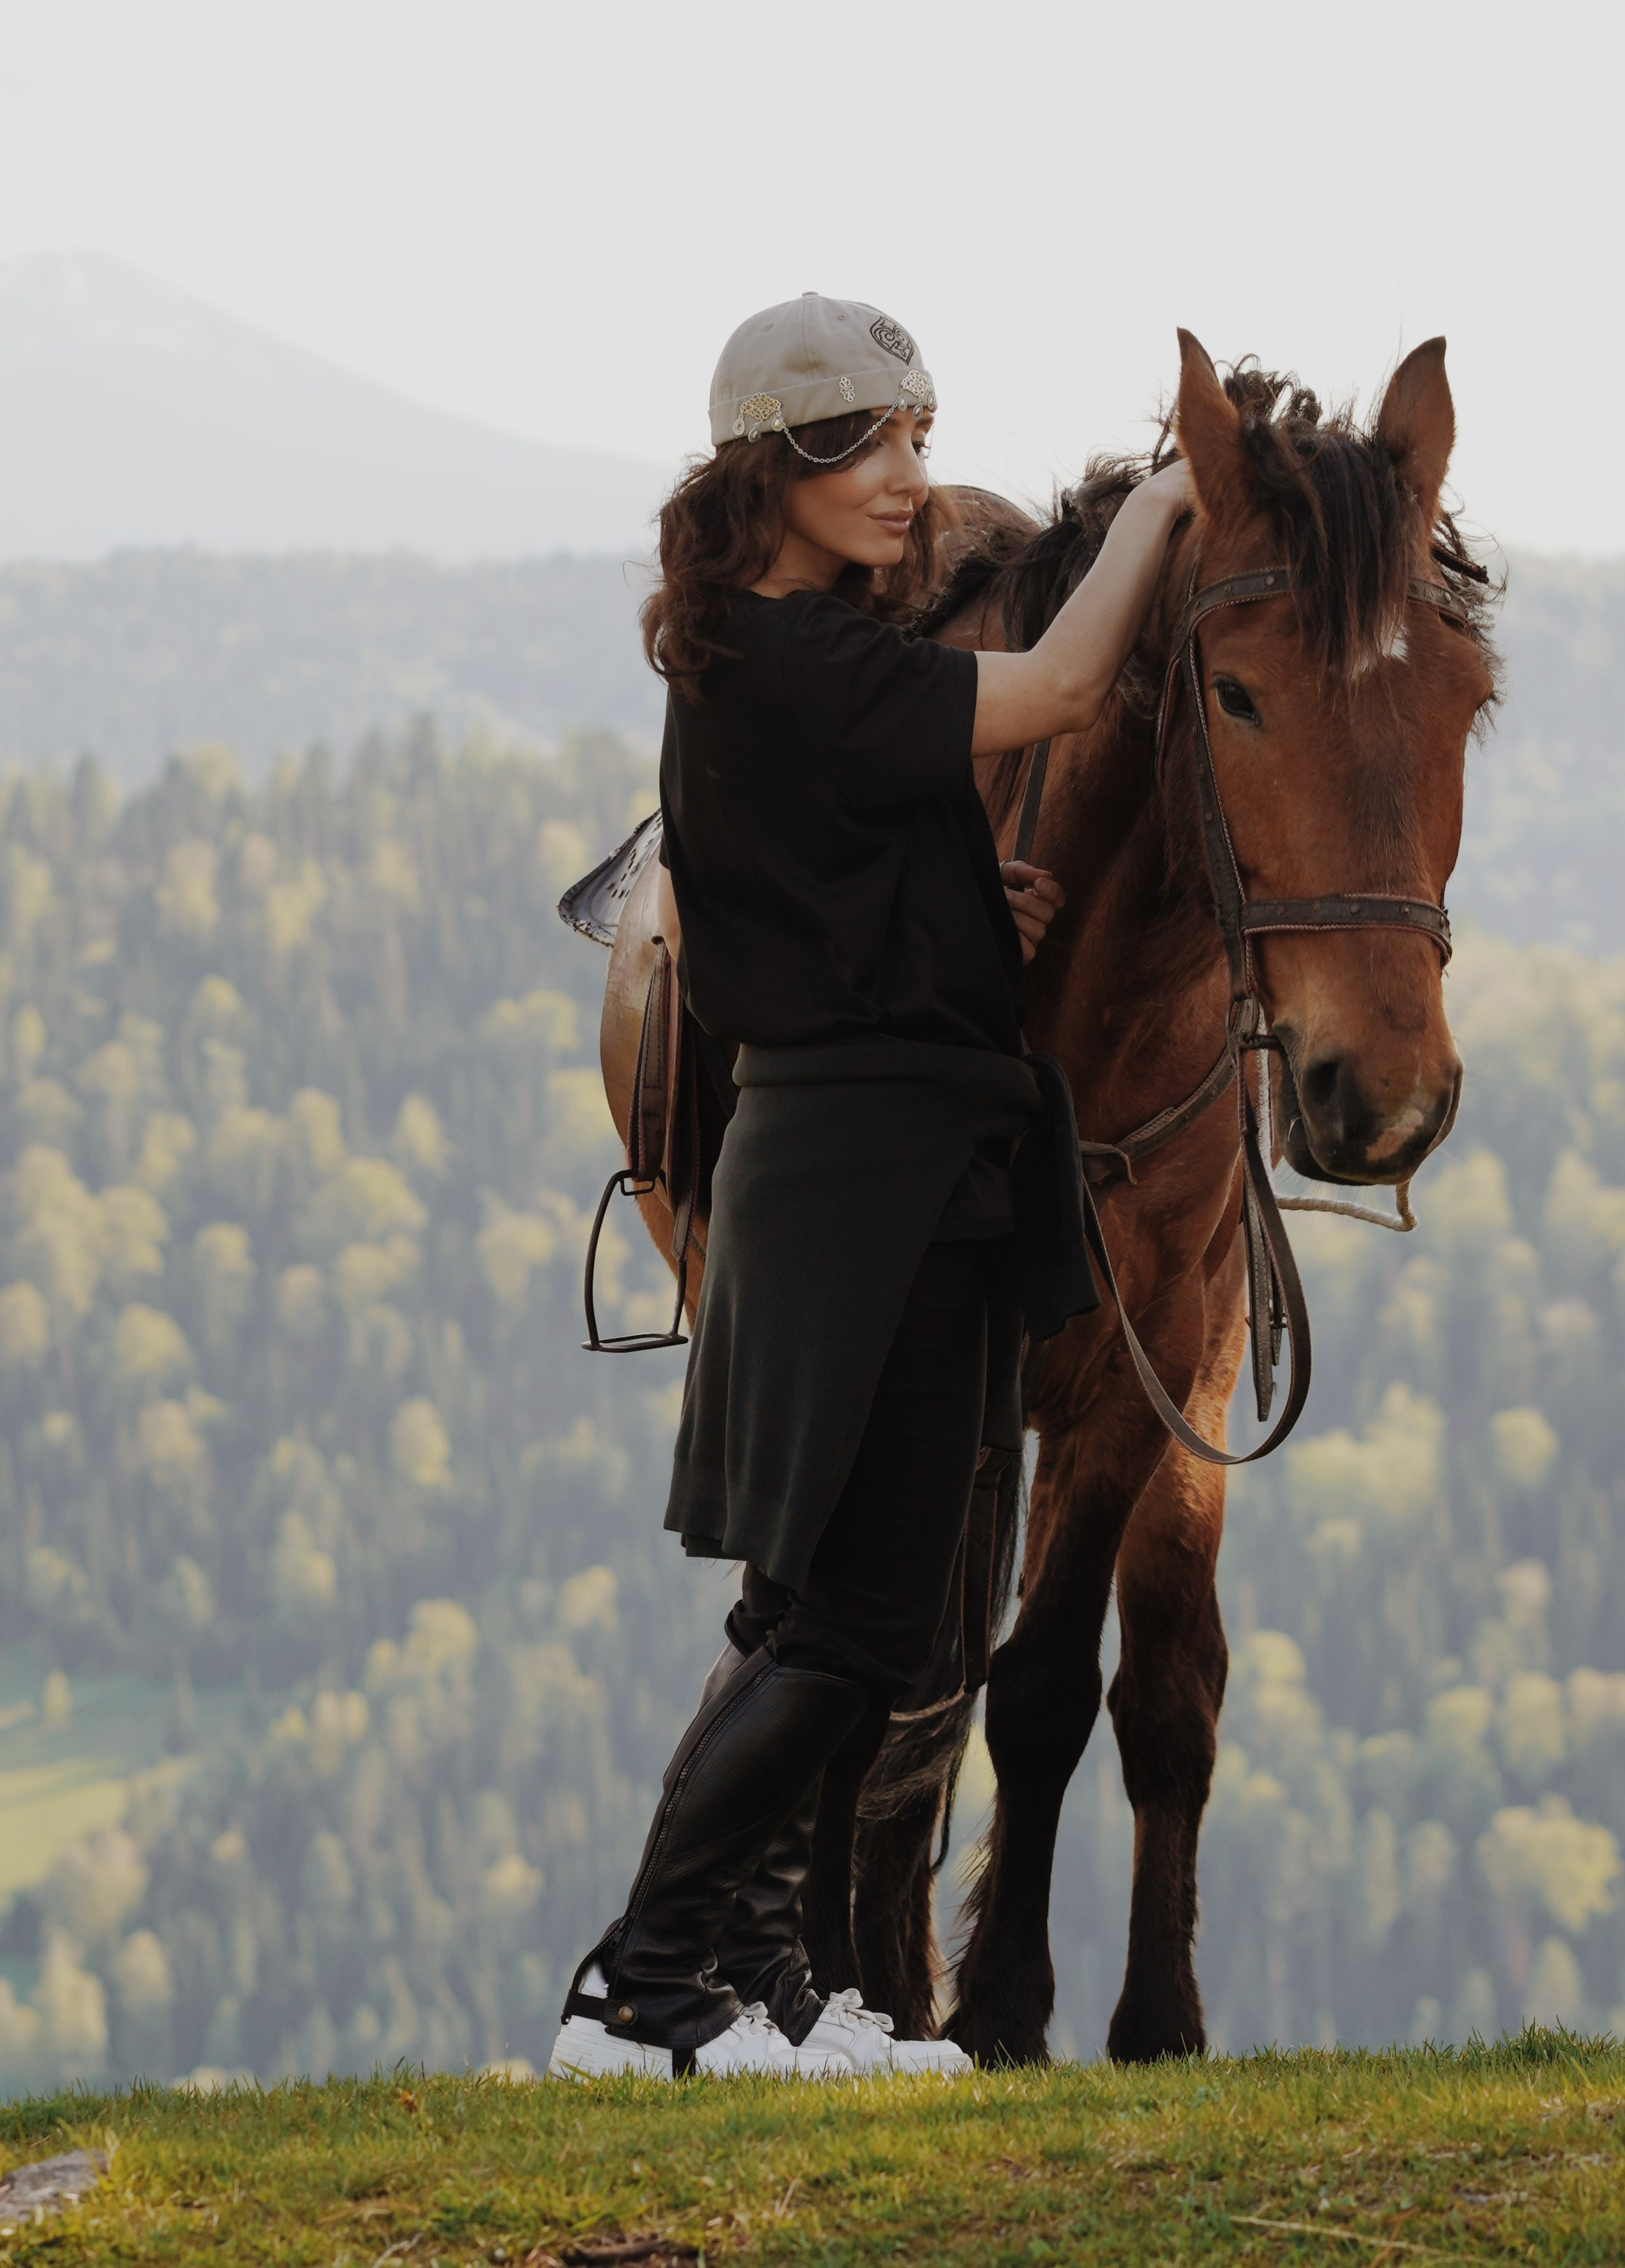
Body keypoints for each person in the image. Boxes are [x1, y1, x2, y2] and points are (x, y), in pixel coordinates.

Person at [549, 295, 1195, 2080]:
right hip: (860, 1182)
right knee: (847, 1625)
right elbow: (1058, 691)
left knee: (844, 1612)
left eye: (924, 438)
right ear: (787, 463)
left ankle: (761, 1987)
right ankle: (649, 1987)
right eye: (885, 444)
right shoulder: (795, 658)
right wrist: (1161, 505)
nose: (918, 479)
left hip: (900, 1162)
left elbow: (820, 892)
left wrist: (950, 920)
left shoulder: (789, 657)